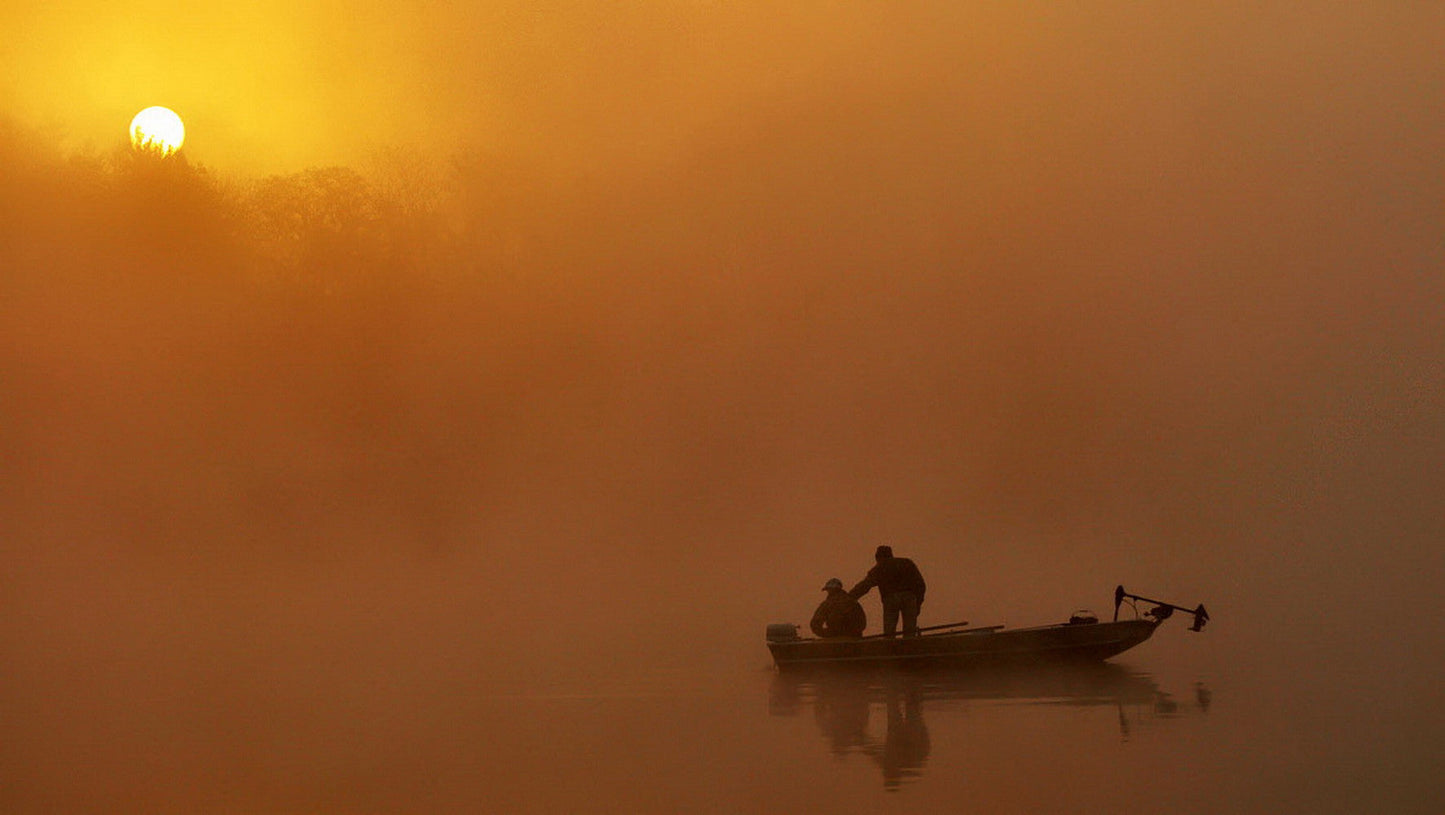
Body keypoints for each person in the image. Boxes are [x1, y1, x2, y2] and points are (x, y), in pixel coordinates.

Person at [849, 545, 926, 637]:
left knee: (889, 632)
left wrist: (849, 597)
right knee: (910, 631)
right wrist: (918, 603)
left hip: (891, 599)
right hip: (909, 598)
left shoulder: (880, 568)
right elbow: (921, 585)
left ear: (878, 557)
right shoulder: (907, 563)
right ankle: (909, 647)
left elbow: (865, 586)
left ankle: (890, 646)